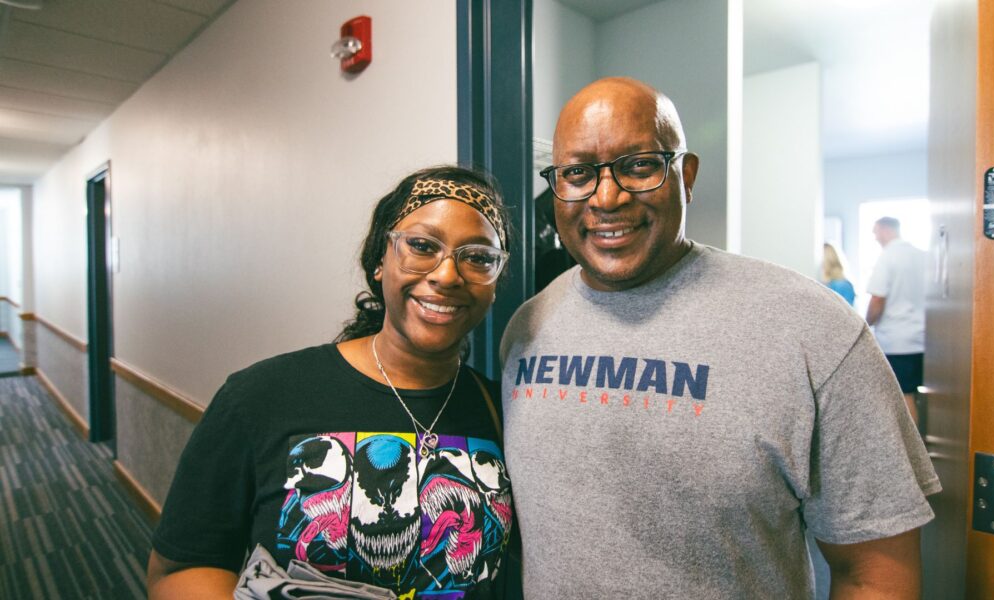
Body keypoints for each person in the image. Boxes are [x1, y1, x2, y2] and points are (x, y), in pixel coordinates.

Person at [500, 77, 940, 598]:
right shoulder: (527, 327)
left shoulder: (813, 329)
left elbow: (874, 573)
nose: (607, 196)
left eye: (639, 165)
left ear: (685, 176)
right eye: (577, 174)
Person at [147, 166, 516, 599]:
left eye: (478, 257)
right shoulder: (262, 396)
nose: (448, 275)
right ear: (381, 260)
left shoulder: (507, 412)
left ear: (495, 282)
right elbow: (181, 567)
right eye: (421, 246)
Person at [867, 216, 926, 422]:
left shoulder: (887, 257)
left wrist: (866, 324)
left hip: (897, 340)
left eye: (875, 232)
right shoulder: (922, 255)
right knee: (916, 395)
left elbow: (877, 298)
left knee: (903, 395)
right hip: (924, 338)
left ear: (884, 229)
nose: (875, 238)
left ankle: (910, 452)